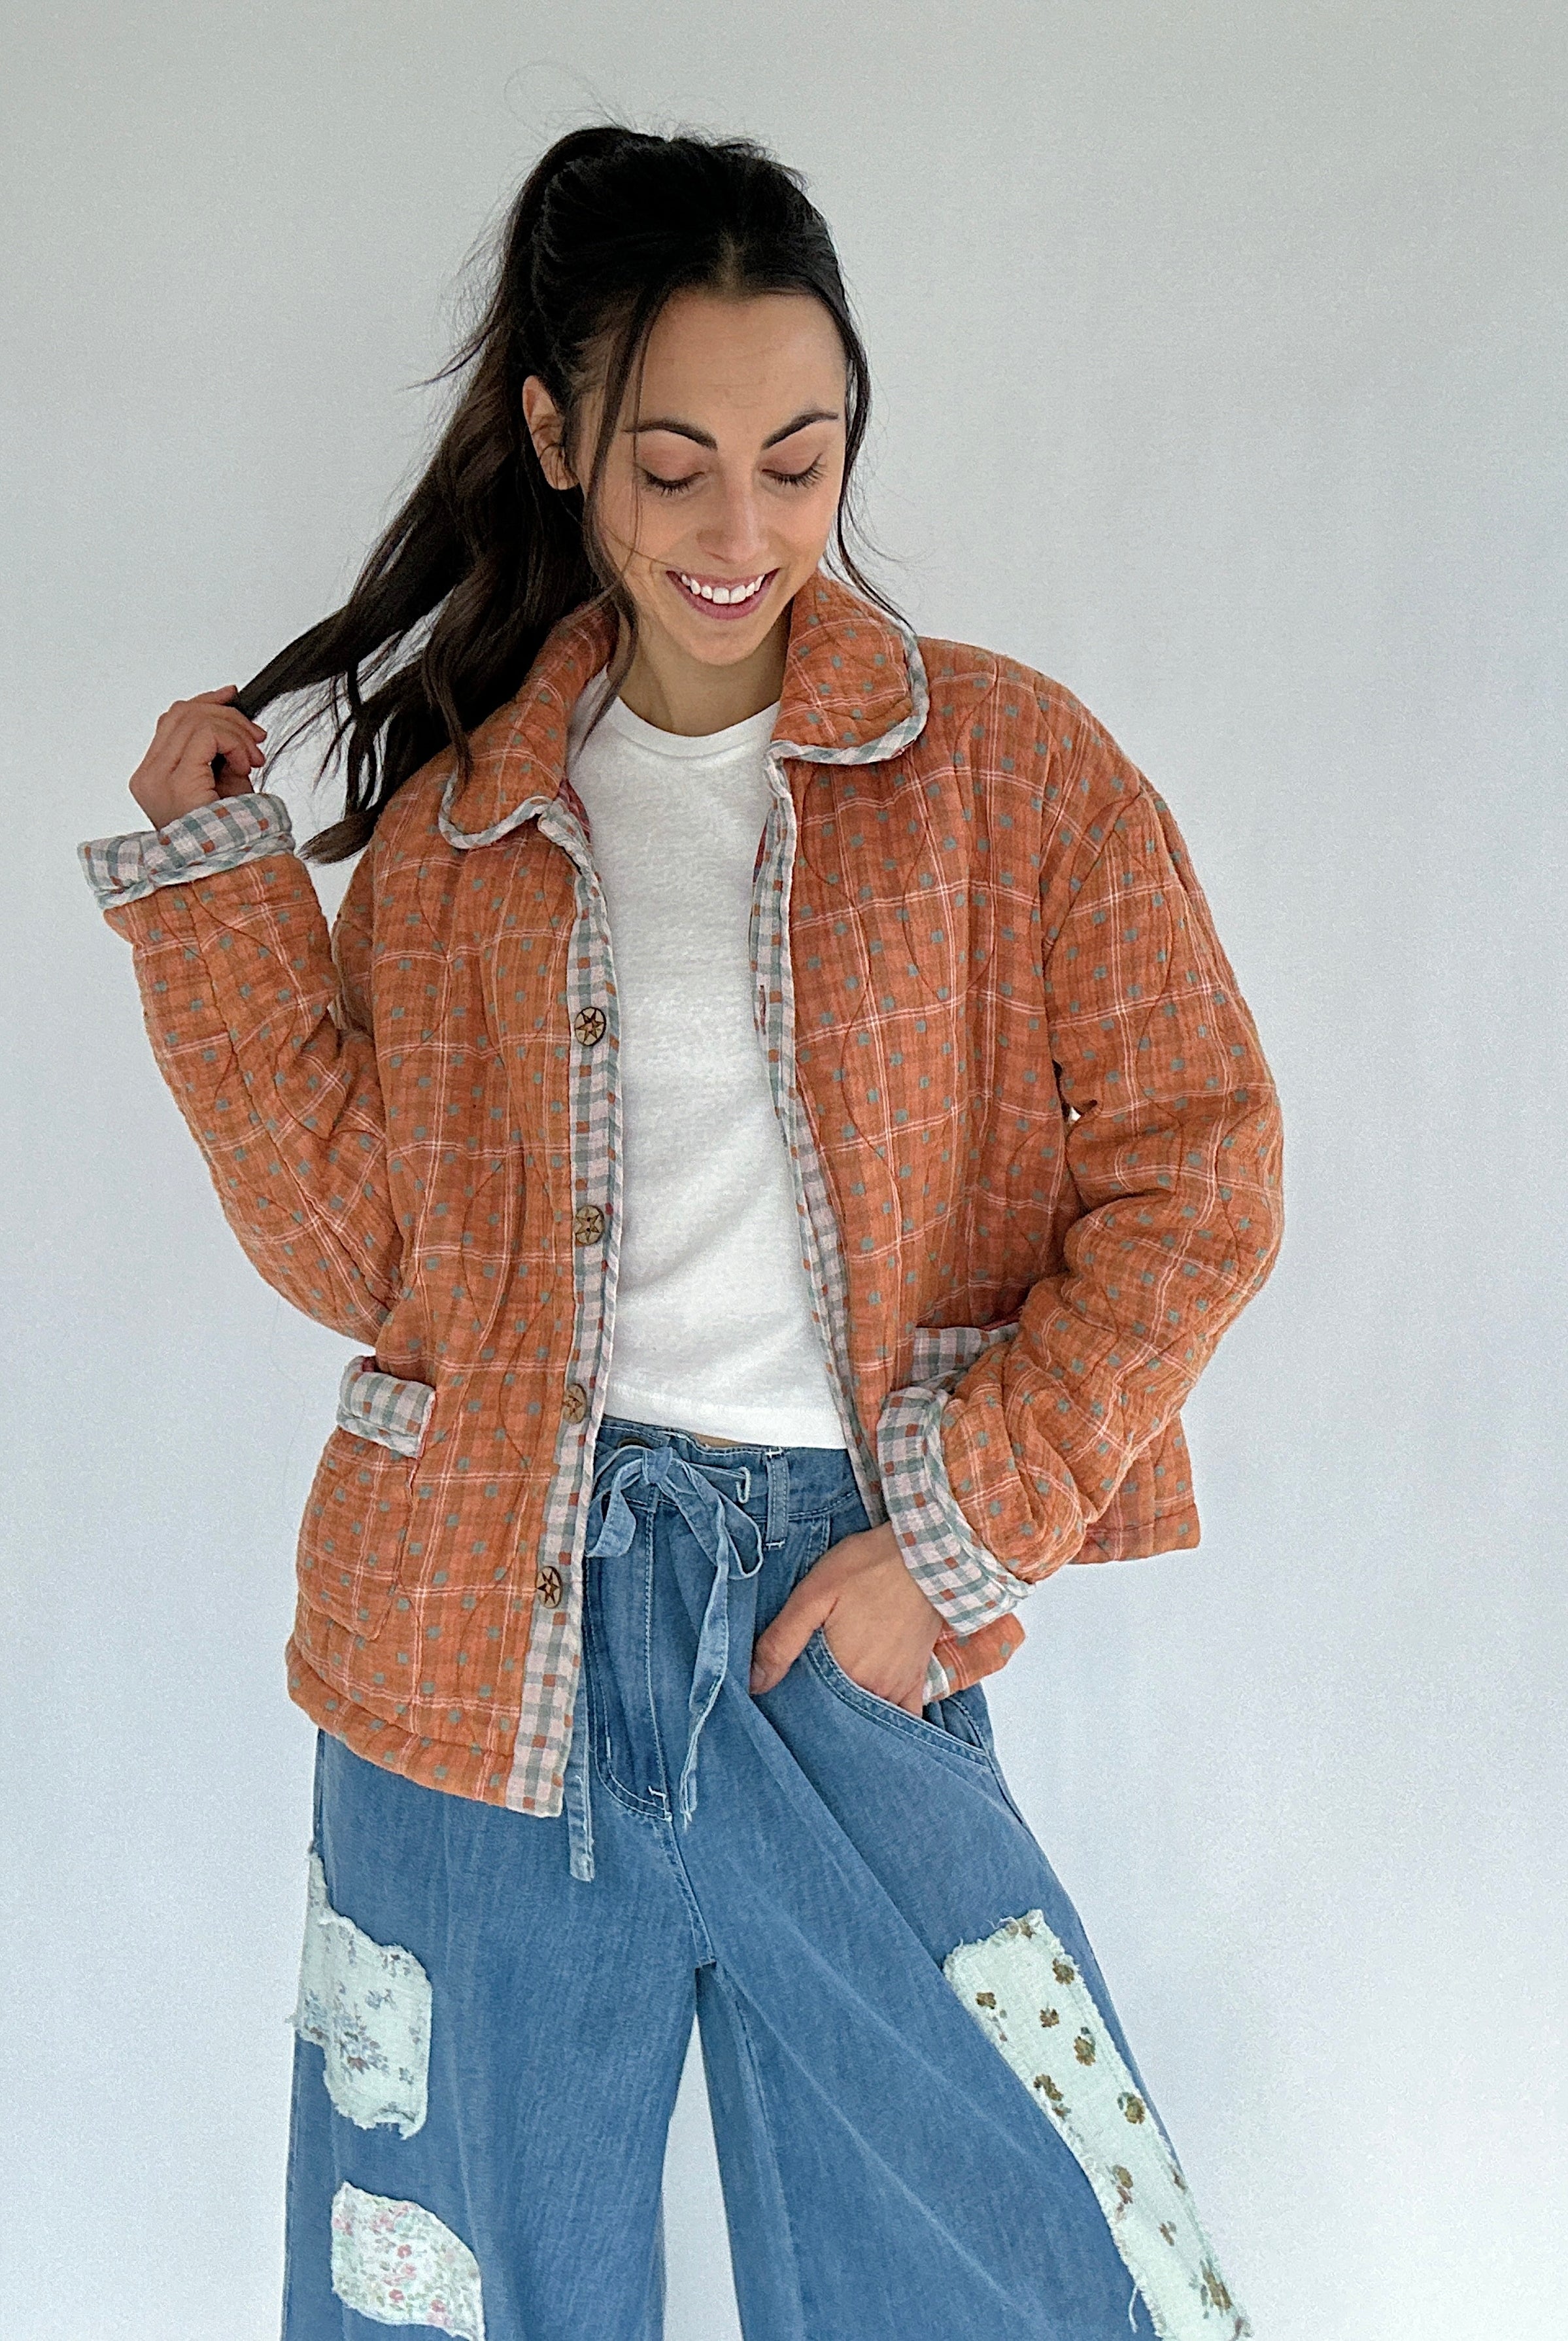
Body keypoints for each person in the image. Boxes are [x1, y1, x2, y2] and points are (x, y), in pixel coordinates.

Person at [78, 124, 1282, 2341]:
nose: (744, 533)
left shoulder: (1014, 772)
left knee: (1025, 2269)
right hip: (475, 1630)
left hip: (837, 1611)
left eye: (799, 462)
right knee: (448, 2292)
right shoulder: (461, 825)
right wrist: (223, 900)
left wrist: (957, 1534)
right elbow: (370, 1254)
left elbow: (1203, 1167)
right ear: (559, 441)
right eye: (676, 466)